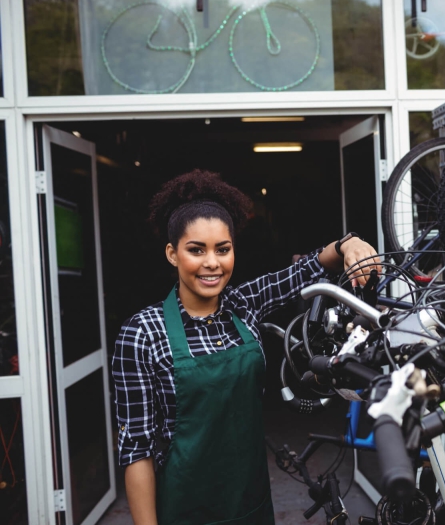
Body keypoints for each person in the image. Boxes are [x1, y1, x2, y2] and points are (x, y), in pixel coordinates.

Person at [112, 170, 380, 525]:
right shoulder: (142, 333)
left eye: (223, 249)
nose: (212, 263)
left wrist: (350, 243)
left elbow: (310, 268)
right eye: (196, 250)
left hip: (250, 504)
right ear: (172, 254)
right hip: (183, 511)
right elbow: (137, 451)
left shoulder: (243, 305)